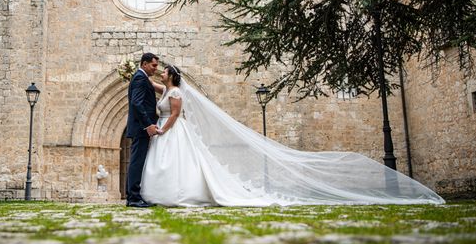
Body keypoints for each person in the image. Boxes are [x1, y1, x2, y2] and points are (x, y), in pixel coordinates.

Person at [140, 64, 445, 207]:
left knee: (182, 165)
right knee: (173, 164)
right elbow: (156, 89)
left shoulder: (177, 92)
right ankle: (167, 193)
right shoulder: (167, 88)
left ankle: (181, 194)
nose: (161, 73)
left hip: (173, 130)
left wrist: (161, 129)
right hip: (169, 132)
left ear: (172, 76)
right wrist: (137, 75)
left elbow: (176, 112)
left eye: (163, 71)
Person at [125, 52, 159, 207]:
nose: (156, 68)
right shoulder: (140, 78)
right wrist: (148, 125)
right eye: (153, 65)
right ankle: (133, 198)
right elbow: (137, 103)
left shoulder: (142, 77)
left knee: (136, 161)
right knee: (137, 162)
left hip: (140, 127)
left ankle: (133, 196)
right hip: (141, 128)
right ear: (144, 64)